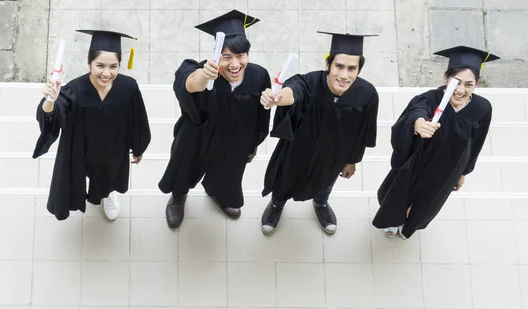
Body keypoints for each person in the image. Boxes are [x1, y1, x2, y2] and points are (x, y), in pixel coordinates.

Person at [372, 46, 500, 239]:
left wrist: (463, 172)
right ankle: (393, 220)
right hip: (418, 163)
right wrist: (418, 124)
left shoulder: (482, 108)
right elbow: (415, 113)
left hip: (448, 170)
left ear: (476, 84)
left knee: (428, 203)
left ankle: (409, 226)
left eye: (468, 84)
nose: (460, 90)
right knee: (401, 195)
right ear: (445, 78)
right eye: (455, 82)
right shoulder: (430, 98)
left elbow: (476, 144)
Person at [158, 10, 271, 228]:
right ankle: (179, 197)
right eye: (226, 57)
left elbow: (261, 114)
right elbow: (189, 84)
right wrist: (204, 74)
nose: (235, 64)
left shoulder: (259, 75)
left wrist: (254, 143)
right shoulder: (200, 70)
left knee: (229, 173)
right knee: (186, 168)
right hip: (198, 137)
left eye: (241, 56)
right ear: (216, 54)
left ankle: (219, 193)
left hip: (235, 140)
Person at [260, 32, 379, 235]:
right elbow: (294, 91)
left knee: (326, 181)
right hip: (298, 149)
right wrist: (278, 98)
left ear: (359, 70)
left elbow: (363, 132)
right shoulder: (310, 82)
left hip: (335, 154)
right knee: (285, 179)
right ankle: (276, 204)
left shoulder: (367, 95)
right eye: (339, 66)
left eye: (352, 69)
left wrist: (352, 161)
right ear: (328, 65)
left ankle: (321, 204)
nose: (344, 75)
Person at [33, 29, 151, 221]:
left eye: (113, 66)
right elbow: (52, 116)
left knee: (108, 175)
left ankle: (107, 193)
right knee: (78, 175)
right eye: (100, 66)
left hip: (113, 147)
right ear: (89, 63)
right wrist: (50, 100)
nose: (106, 73)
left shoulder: (129, 88)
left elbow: (137, 119)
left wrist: (138, 147)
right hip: (81, 148)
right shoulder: (73, 90)